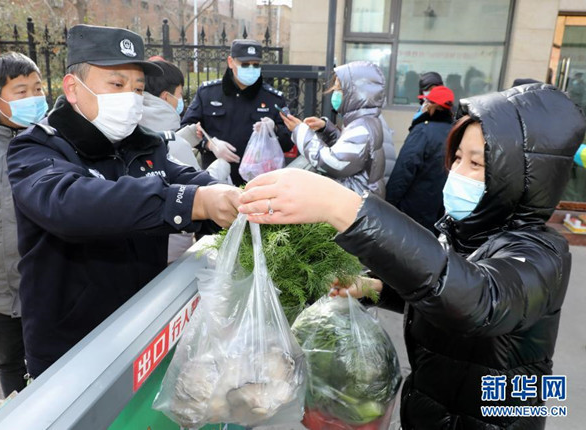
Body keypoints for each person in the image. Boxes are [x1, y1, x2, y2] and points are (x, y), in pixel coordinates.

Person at [239, 83, 586, 429]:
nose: (457, 172)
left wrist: (344, 208)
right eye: (458, 158)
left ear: (522, 178)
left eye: (476, 163)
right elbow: (437, 298)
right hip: (430, 409)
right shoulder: (461, 233)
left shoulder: (542, 255)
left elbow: (477, 300)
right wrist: (373, 287)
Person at [6, 24, 241, 378]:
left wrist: (232, 198)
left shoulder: (144, 145)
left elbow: (187, 180)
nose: (130, 97)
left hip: (141, 330)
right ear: (73, 88)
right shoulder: (37, 147)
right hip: (71, 350)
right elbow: (69, 204)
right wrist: (190, 202)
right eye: (117, 85)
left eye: (138, 89)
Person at [0, 52, 47, 396]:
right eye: (21, 92)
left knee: (56, 367)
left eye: (37, 89)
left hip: (50, 284)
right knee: (10, 367)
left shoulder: (57, 137)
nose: (33, 99)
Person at [140, 58, 232, 263]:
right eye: (180, 95)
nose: (181, 101)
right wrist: (220, 170)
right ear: (166, 97)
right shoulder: (174, 144)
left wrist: (187, 135)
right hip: (171, 252)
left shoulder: (132, 131)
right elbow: (195, 189)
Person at [182, 39, 293, 186]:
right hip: (215, 181)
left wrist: (274, 129)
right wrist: (209, 144)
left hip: (258, 184)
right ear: (230, 62)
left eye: (256, 65)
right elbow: (185, 130)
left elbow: (288, 142)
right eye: (245, 64)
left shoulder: (273, 98)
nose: (251, 69)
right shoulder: (208, 93)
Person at [280, 61, 393, 198]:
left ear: (355, 93)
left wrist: (300, 131)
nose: (334, 93)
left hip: (356, 203)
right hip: (358, 198)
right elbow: (350, 151)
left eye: (339, 89)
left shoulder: (362, 127)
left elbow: (331, 163)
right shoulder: (363, 121)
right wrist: (326, 129)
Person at [386, 85, 454, 234]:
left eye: (426, 102)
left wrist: (389, 204)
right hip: (439, 210)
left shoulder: (423, 131)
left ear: (431, 106)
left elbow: (404, 169)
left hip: (413, 209)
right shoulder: (455, 132)